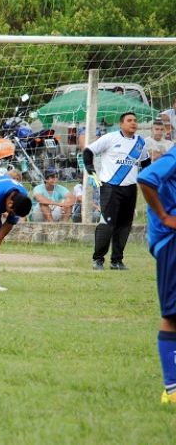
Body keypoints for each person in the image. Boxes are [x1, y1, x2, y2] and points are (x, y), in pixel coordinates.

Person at [83, 112, 151, 270]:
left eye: (135, 120)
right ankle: (98, 259)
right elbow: (88, 151)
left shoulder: (141, 142)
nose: (133, 123)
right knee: (107, 223)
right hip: (110, 187)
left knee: (125, 225)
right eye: (129, 120)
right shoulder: (110, 138)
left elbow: (147, 163)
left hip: (130, 188)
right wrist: (91, 171)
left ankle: (117, 261)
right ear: (121, 124)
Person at [138, 147, 176, 404]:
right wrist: (164, 217)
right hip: (171, 242)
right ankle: (172, 390)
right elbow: (146, 178)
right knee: (173, 316)